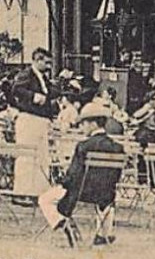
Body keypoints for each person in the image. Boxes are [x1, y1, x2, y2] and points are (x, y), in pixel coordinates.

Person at [37, 101, 124, 246]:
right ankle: (103, 234)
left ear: (93, 124)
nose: (81, 127)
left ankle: (63, 223)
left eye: (83, 123)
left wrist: (61, 181)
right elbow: (116, 175)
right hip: (106, 195)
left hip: (81, 192)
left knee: (44, 199)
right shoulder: (118, 148)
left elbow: (74, 175)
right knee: (106, 202)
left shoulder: (84, 146)